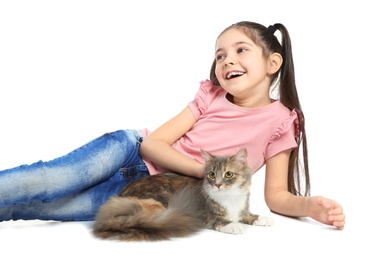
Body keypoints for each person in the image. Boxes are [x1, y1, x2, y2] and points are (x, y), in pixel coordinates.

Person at [0, 21, 345, 230]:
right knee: (47, 181)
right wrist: (204, 171)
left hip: (149, 194)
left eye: (241, 50)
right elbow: (153, 146)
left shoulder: (282, 121)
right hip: (126, 153)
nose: (228, 61)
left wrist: (309, 206)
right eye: (220, 55)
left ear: (273, 62)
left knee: (45, 208)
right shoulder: (210, 96)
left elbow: (277, 197)